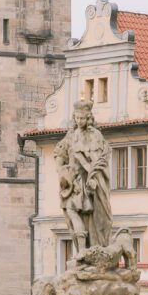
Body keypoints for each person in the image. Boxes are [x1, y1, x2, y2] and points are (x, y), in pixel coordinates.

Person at [54, 99, 112, 254]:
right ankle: (82, 252)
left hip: (87, 183)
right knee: (71, 215)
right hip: (71, 183)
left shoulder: (95, 135)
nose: (79, 121)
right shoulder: (71, 135)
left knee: (86, 217)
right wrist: (61, 171)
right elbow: (60, 154)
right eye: (77, 118)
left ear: (89, 118)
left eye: (82, 118)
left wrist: (93, 177)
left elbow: (98, 161)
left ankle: (85, 252)